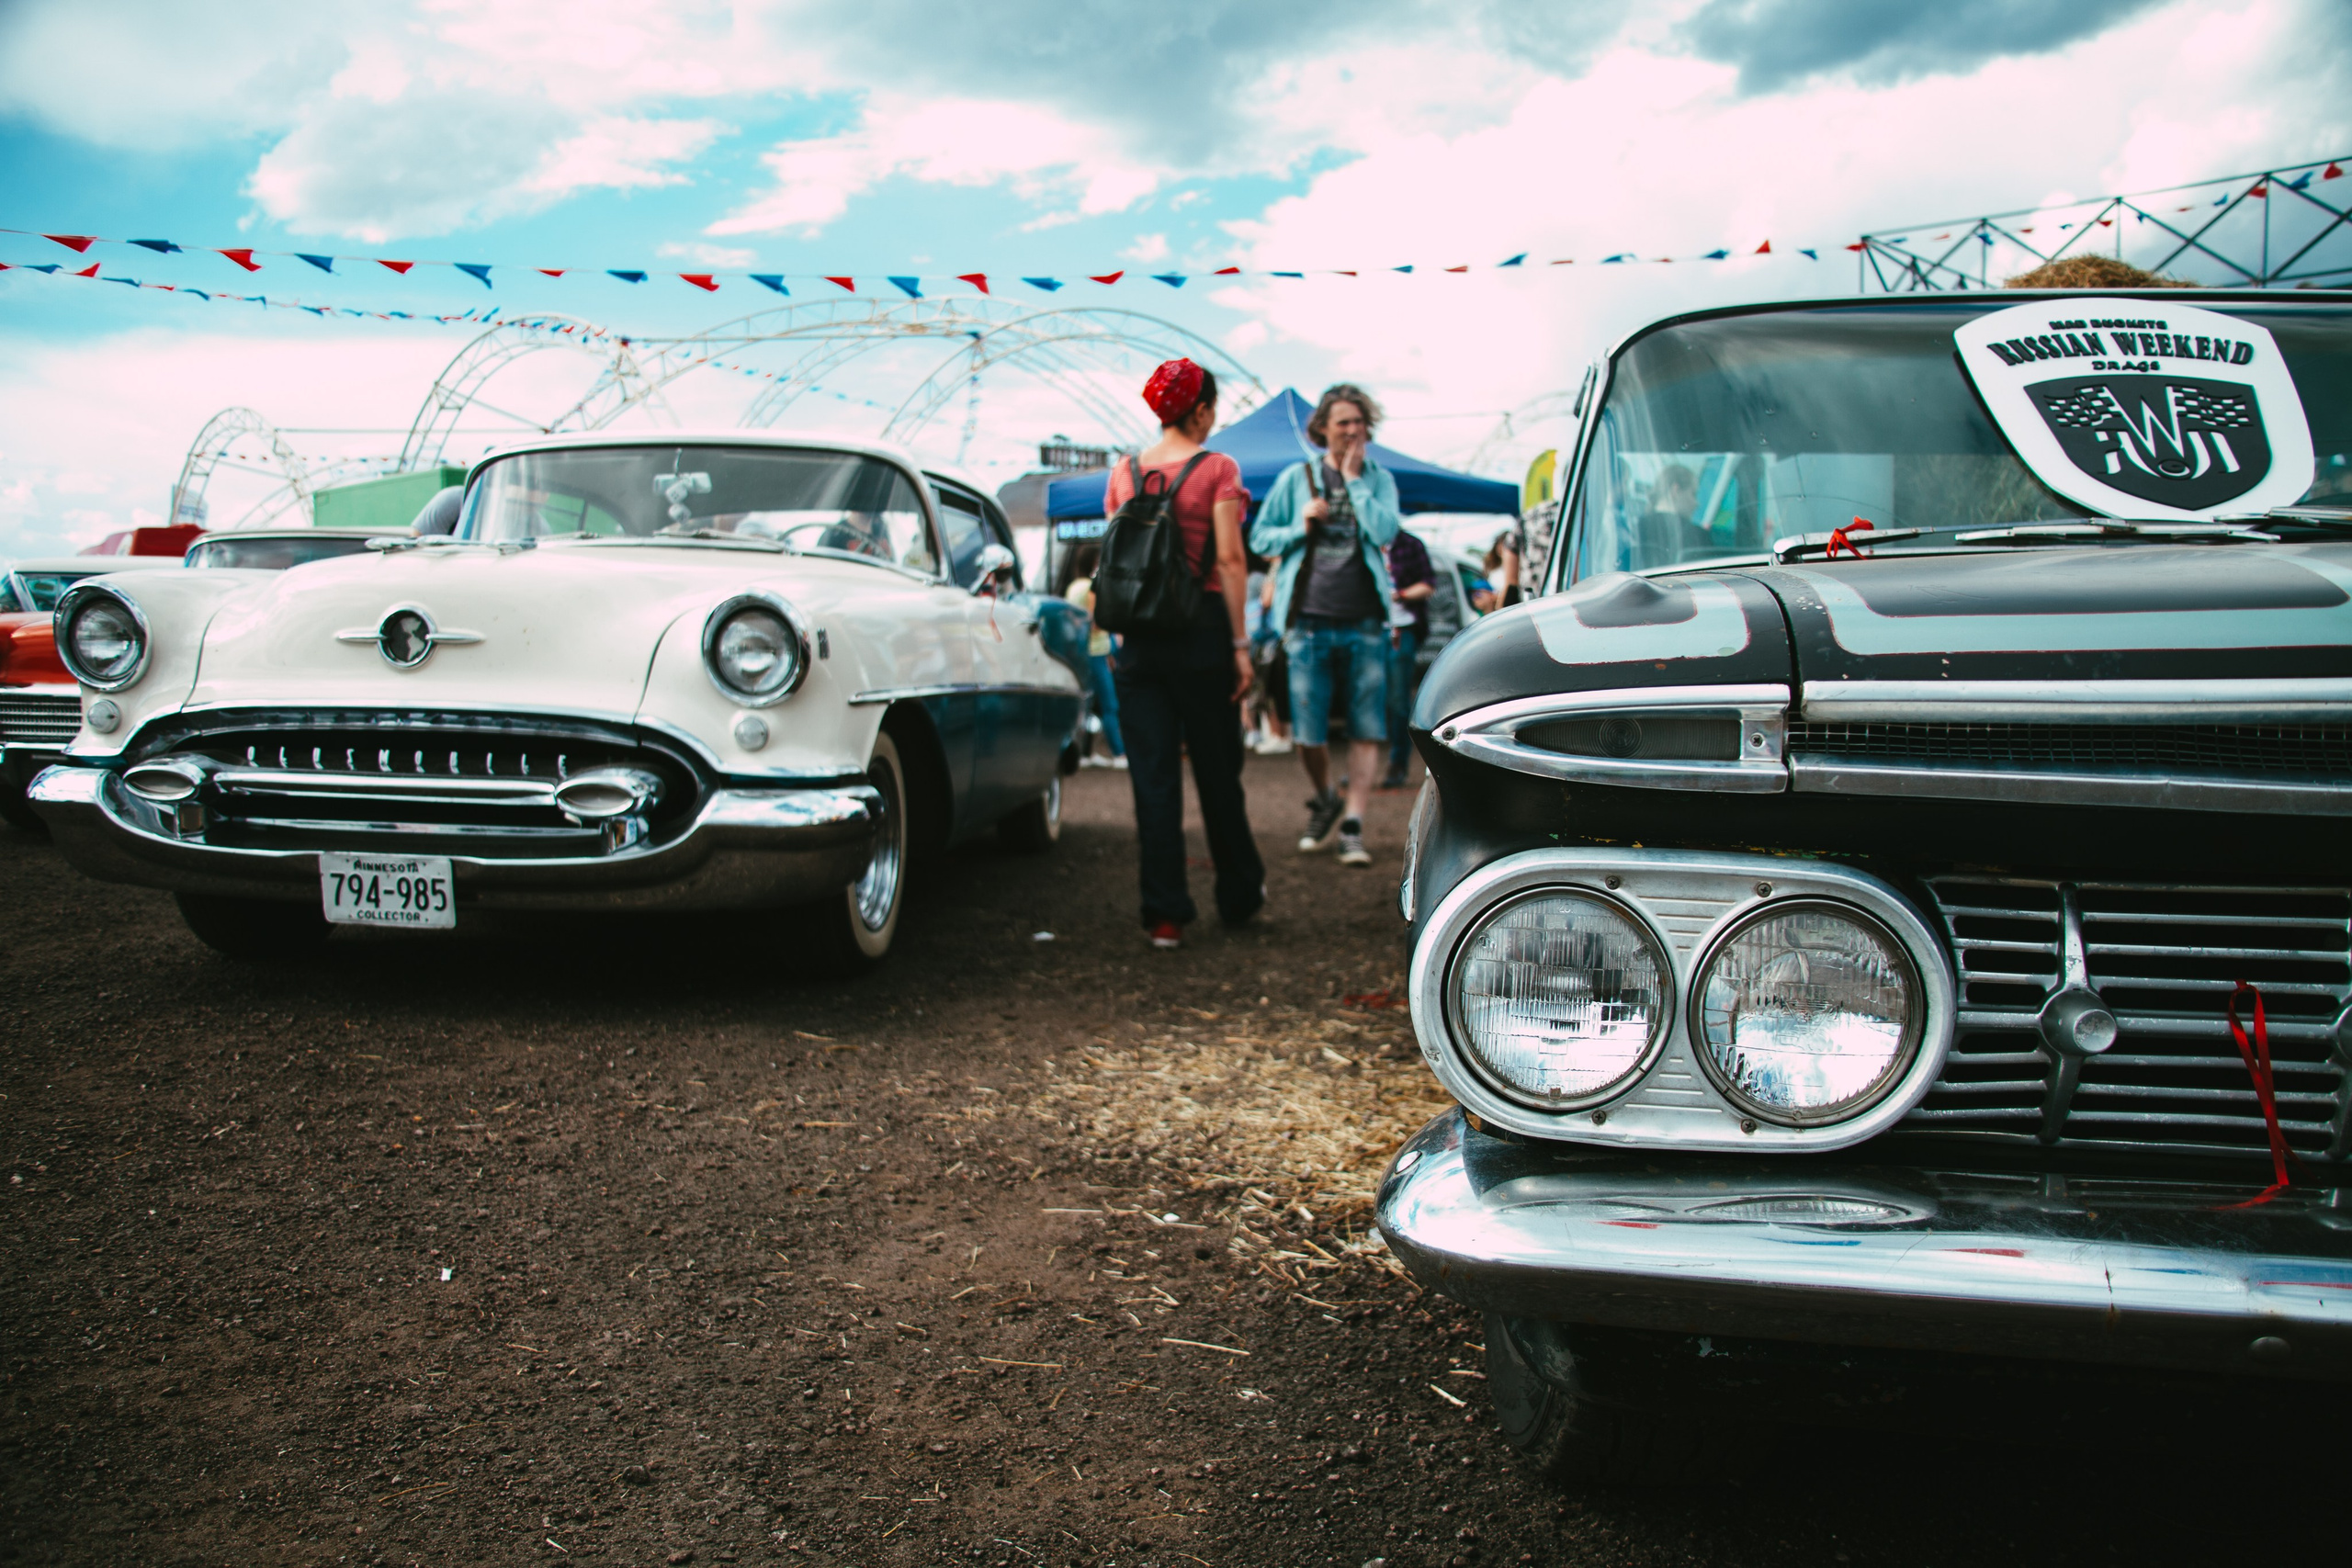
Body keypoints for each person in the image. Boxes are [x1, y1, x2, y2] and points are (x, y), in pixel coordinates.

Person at [1104, 358, 1264, 949]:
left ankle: (1165, 914)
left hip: (1140, 641)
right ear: (1201, 411)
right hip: (1200, 633)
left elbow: (1121, 560)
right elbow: (1230, 560)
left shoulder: (1123, 470)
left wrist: (1124, 641)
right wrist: (1241, 646)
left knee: (1154, 780)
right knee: (1220, 772)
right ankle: (1239, 894)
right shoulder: (1218, 467)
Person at [1249, 382, 1400, 869]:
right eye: (1343, 423)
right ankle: (1325, 797)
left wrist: (1354, 483)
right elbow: (1260, 536)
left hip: (1365, 623)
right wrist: (1299, 524)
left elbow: (1385, 532)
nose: (1354, 431)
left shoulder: (1377, 478)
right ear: (1323, 430)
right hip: (1307, 622)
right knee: (1307, 732)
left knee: (1366, 726)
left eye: (1360, 422)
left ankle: (1353, 824)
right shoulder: (1298, 478)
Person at [1060, 543, 1126, 769]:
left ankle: (1084, 753)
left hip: (1079, 652)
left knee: (1086, 706)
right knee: (1110, 705)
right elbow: (1096, 620)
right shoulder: (1091, 586)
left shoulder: (1072, 588)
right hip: (1097, 651)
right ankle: (1119, 753)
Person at [1382, 526, 1437, 789]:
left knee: (1397, 700)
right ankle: (1364, 765)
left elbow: (1428, 585)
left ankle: (1397, 763)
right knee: (1366, 699)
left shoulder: (1409, 544)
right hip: (1370, 630)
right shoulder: (1361, 540)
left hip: (1401, 630)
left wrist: (1399, 594)